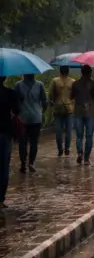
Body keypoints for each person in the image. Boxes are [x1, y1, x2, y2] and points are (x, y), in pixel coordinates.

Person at [13, 74, 47, 173]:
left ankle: (23, 163)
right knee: (34, 142)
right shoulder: (40, 85)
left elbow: (14, 101)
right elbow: (44, 101)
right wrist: (42, 111)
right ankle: (31, 163)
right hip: (36, 117)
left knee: (22, 142)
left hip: (22, 119)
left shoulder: (18, 85)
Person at [72, 65, 94, 164]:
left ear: (81, 72)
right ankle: (87, 158)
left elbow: (71, 96)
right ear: (90, 73)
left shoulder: (75, 84)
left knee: (79, 135)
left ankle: (80, 152)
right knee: (89, 136)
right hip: (91, 112)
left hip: (78, 111)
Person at [0, 77, 19, 208]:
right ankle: (0, 199)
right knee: (3, 167)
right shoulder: (9, 93)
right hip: (4, 133)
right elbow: (17, 110)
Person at [50, 65, 75, 156]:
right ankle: (66, 148)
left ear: (60, 71)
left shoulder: (55, 81)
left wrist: (52, 102)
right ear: (68, 72)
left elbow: (51, 94)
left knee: (59, 130)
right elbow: (74, 95)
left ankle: (60, 149)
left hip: (59, 107)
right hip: (68, 108)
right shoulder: (72, 81)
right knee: (68, 130)